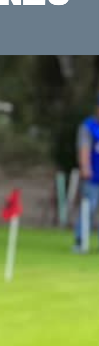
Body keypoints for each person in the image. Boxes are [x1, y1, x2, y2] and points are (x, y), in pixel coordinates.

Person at [74, 94, 99, 251]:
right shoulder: (88, 127)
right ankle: (80, 240)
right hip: (93, 178)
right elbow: (84, 149)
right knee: (89, 208)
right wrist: (85, 168)